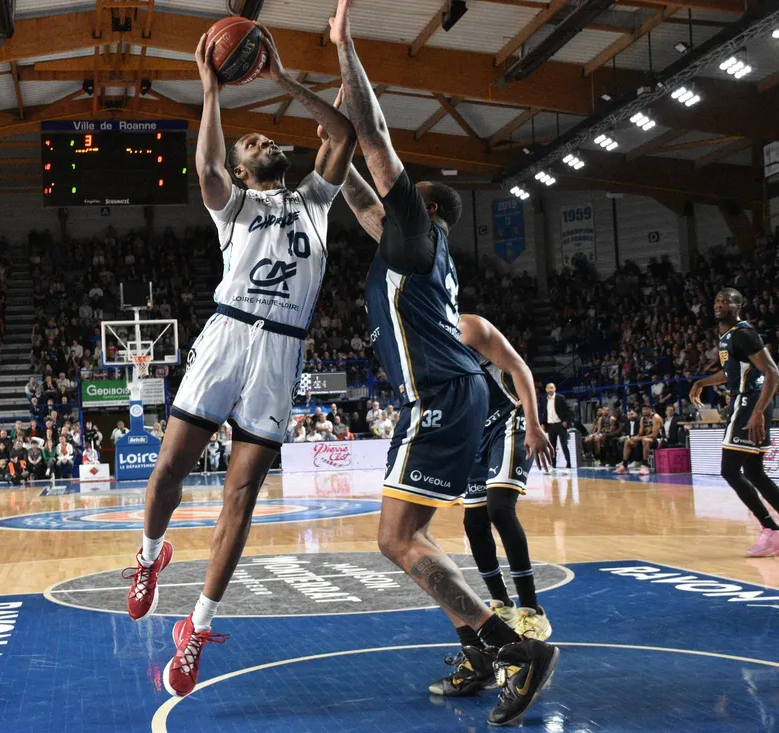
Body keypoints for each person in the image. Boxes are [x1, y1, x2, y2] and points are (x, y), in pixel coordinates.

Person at [328, 0, 558, 724]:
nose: (393, 195)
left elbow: (371, 137)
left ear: (423, 209)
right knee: (414, 536)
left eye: (404, 193)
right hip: (441, 399)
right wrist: (319, 91)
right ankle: (483, 646)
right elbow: (341, 175)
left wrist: (343, 45)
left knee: (395, 537)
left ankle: (515, 648)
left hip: (442, 396)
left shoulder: (417, 235)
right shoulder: (402, 247)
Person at [123, 24, 356, 699]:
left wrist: (283, 78)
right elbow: (205, 170)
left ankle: (196, 629)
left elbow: (341, 136)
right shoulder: (235, 208)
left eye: (264, 138)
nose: (264, 140)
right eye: (251, 143)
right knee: (169, 466)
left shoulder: (315, 199)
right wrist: (209, 89)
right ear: (244, 168)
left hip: (281, 349)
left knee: (242, 494)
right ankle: (148, 555)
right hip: (227, 336)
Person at [452, 314, 555, 658]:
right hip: (473, 437)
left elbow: (519, 367)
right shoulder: (421, 348)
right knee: (473, 521)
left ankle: (531, 609)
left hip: (509, 421)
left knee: (499, 507)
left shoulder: (468, 326)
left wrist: (534, 424)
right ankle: (502, 603)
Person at [690, 288, 779, 556]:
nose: (719, 304)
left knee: (729, 470)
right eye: (716, 300)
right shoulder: (728, 337)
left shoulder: (744, 333)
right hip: (746, 401)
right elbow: (731, 373)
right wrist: (702, 382)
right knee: (754, 472)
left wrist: (757, 411)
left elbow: (773, 371)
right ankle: (773, 531)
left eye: (725, 301)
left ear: (737, 305)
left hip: (750, 402)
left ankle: (770, 530)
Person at [542, 383, 572, 469]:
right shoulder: (544, 399)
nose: (550, 389)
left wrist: (566, 421)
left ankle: (569, 463)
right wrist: (543, 423)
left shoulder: (560, 397)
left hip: (560, 425)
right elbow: (544, 412)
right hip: (550, 426)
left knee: (564, 445)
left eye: (551, 388)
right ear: (546, 389)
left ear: (555, 388)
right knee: (552, 447)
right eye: (548, 388)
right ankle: (553, 464)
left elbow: (569, 411)